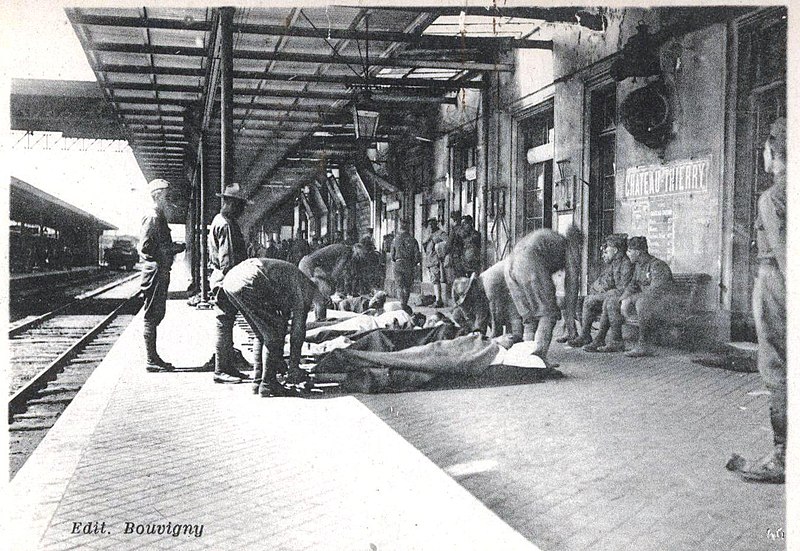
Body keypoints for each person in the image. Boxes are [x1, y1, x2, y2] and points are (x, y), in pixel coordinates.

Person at [727, 117, 786, 484]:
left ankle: (782, 454)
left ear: (773, 153)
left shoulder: (774, 196)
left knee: (777, 366)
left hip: (777, 282)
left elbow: (783, 253)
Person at [219, 258, 331, 397]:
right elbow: (298, 332)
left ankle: (258, 381)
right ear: (319, 289)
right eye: (325, 299)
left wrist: (278, 360)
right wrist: (294, 368)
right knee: (272, 337)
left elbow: (282, 320)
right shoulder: (306, 289)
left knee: (261, 334)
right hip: (250, 278)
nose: (322, 303)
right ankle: (268, 384)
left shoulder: (295, 280)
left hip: (232, 280)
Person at [503, 226, 583, 364]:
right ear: (577, 241)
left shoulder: (550, 237)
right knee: (549, 314)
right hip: (528, 264)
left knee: (529, 318)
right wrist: (570, 324)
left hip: (509, 266)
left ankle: (526, 359)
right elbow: (572, 283)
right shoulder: (568, 245)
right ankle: (539, 359)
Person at [138, 179, 185, 372]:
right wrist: (173, 248)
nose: (169, 199)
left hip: (160, 270)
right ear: (157, 195)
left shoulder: (158, 215)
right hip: (155, 270)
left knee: (157, 314)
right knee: (152, 315)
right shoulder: (152, 216)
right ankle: (151, 359)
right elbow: (146, 247)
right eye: (166, 195)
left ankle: (153, 358)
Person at [208, 182, 252, 383]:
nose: (242, 209)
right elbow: (228, 260)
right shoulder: (226, 225)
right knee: (224, 324)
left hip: (221, 278)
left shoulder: (220, 220)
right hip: (227, 280)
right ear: (230, 203)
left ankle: (228, 367)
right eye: (240, 205)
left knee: (226, 324)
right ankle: (221, 370)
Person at [608, 236, 676, 357]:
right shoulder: (639, 266)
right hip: (648, 303)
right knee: (613, 301)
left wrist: (630, 299)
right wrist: (623, 299)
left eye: (630, 251)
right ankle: (616, 341)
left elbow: (655, 292)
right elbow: (632, 285)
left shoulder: (657, 266)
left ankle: (643, 345)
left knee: (642, 303)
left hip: (665, 305)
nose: (628, 254)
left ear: (638, 252)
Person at [567, 234, 633, 351]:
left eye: (607, 250)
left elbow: (624, 288)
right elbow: (605, 281)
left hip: (622, 297)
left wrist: (604, 292)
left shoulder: (626, 264)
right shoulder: (614, 263)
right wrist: (598, 289)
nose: (605, 252)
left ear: (615, 250)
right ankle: (585, 335)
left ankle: (597, 338)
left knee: (593, 300)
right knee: (582, 300)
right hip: (613, 295)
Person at [390, 220, 421, 310]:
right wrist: (413, 264)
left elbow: (392, 255)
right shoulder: (413, 240)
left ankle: (401, 304)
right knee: (407, 286)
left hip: (398, 264)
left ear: (400, 228)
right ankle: (405, 303)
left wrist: (396, 260)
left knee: (399, 285)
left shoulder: (395, 240)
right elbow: (417, 255)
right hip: (408, 264)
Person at [422, 218, 448, 308]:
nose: (431, 226)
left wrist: (439, 249)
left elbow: (446, 243)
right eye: (429, 225)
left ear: (436, 224)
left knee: (436, 280)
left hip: (436, 260)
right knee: (434, 280)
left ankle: (438, 300)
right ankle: (437, 299)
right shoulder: (428, 235)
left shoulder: (441, 233)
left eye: (432, 224)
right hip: (430, 260)